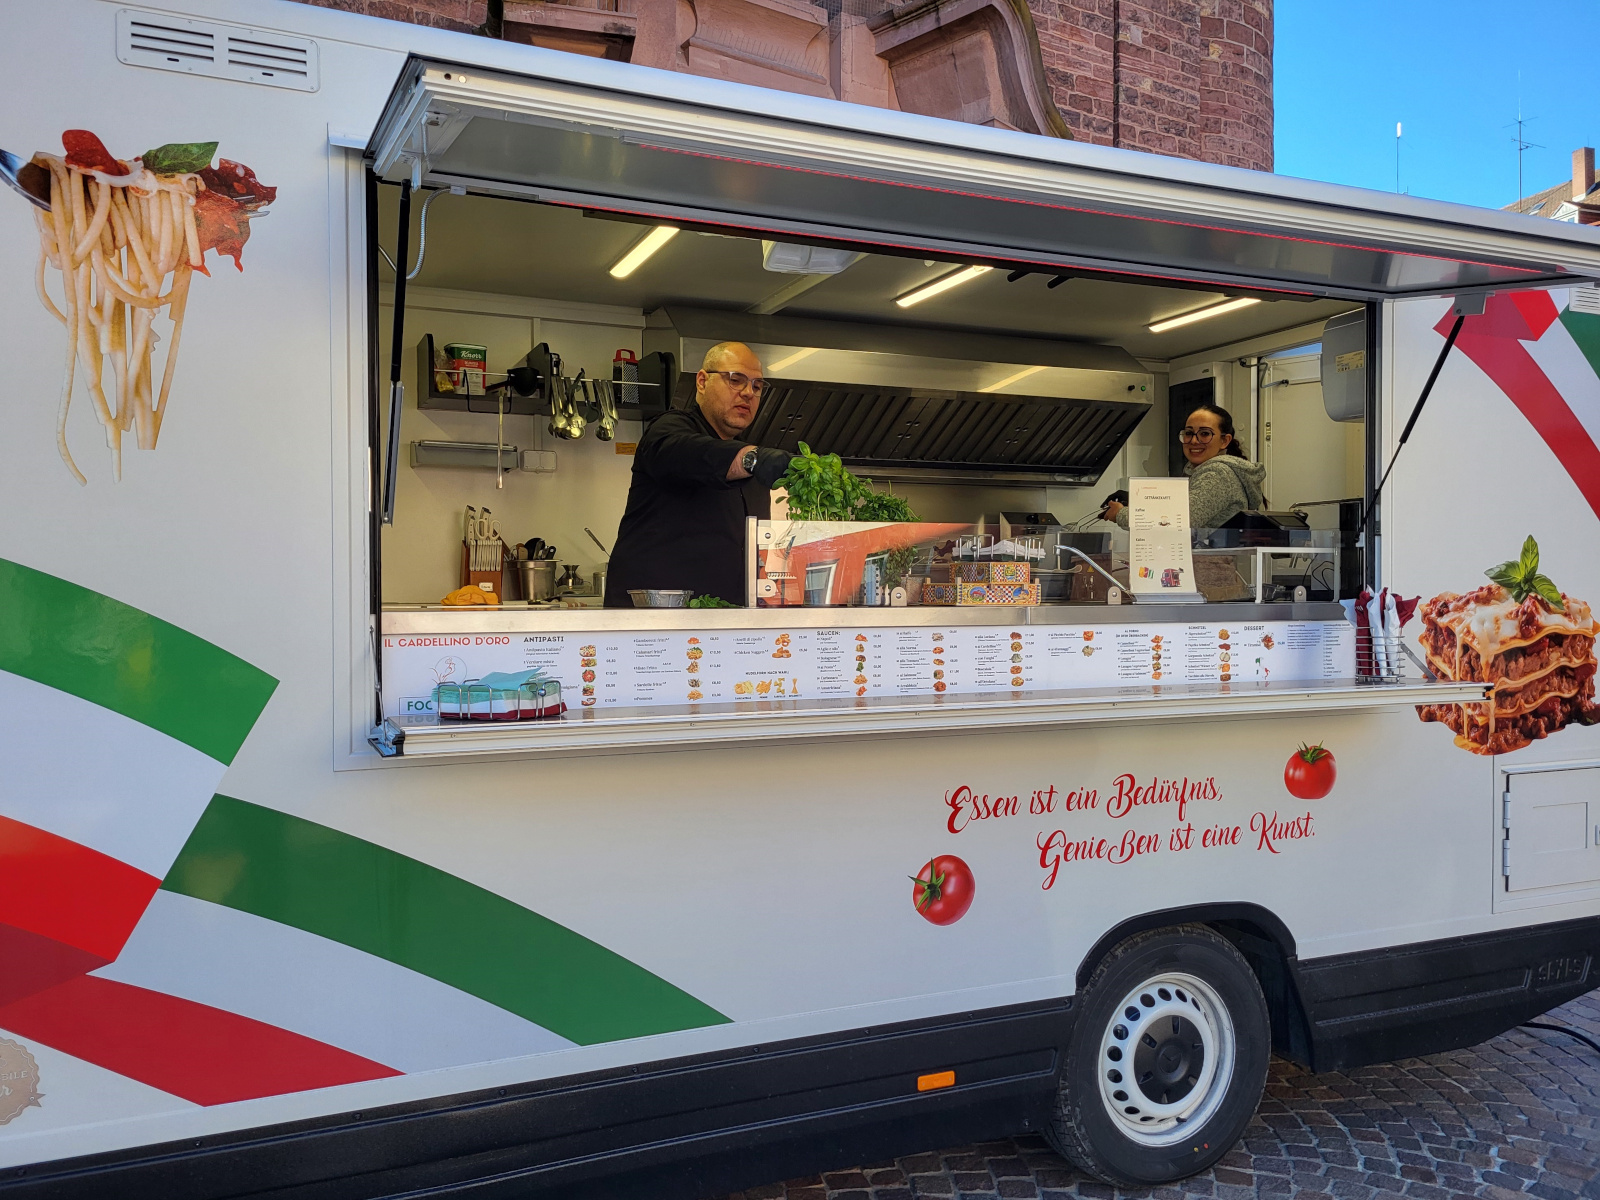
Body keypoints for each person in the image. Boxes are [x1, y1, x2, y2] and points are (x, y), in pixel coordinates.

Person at [604, 341, 793, 607]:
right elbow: (692, 453)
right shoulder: (668, 429)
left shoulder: (753, 458)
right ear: (702, 382)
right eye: (736, 380)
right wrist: (752, 458)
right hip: (655, 624)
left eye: (757, 386)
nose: (748, 393)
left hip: (726, 622)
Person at [1101, 403, 1266, 530]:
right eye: (1189, 433)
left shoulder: (1218, 474)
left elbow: (1178, 521)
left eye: (1205, 434)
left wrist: (1122, 515)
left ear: (1224, 441)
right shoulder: (1202, 472)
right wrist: (1137, 501)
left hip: (1205, 570)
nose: (1194, 441)